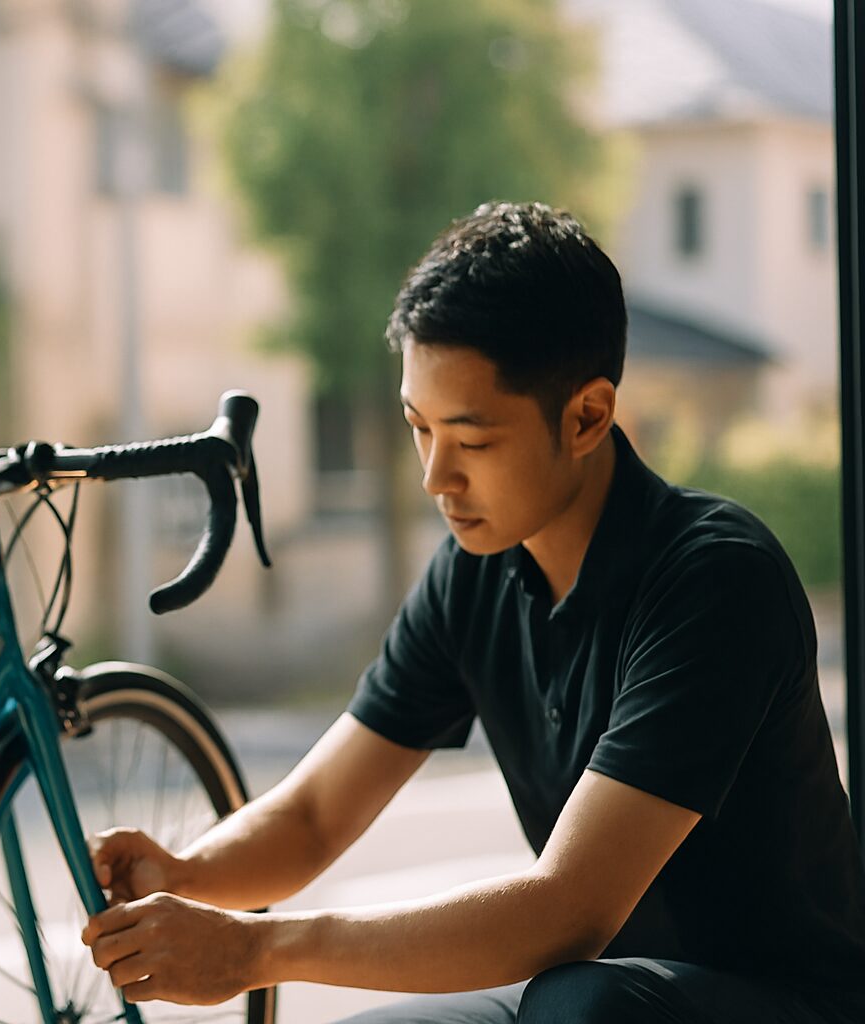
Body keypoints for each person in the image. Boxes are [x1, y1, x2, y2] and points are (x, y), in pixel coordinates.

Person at [81, 201, 865, 1022]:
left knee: (578, 1001)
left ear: (588, 416)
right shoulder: (475, 572)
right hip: (597, 993)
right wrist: (183, 874)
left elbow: (568, 909)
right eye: (418, 428)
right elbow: (314, 816)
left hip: (785, 1005)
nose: (435, 477)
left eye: (473, 441)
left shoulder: (713, 580)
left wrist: (257, 950)